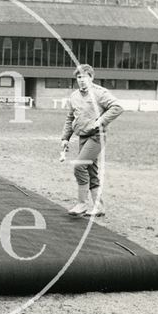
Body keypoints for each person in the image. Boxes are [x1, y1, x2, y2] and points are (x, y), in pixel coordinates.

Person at [60, 64, 123, 217]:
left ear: (91, 77)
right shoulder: (74, 96)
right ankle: (98, 207)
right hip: (82, 137)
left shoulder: (100, 93)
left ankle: (82, 204)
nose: (81, 80)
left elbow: (117, 107)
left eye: (85, 77)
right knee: (91, 171)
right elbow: (70, 118)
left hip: (96, 137)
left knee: (79, 166)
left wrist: (100, 121)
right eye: (79, 77)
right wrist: (65, 138)